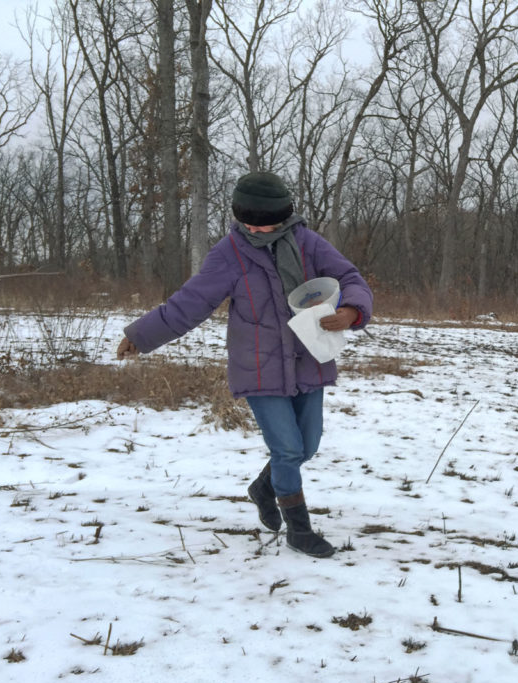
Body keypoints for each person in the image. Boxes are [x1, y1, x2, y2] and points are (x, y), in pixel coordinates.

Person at [117, 171, 373, 558]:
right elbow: (189, 304)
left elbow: (349, 277)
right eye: (249, 219)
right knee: (287, 450)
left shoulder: (306, 242)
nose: (257, 226)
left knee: (307, 446)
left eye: (266, 218)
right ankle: (298, 530)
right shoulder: (229, 253)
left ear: (284, 214)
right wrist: (142, 335)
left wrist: (352, 310)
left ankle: (263, 488)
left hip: (309, 359)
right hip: (258, 366)